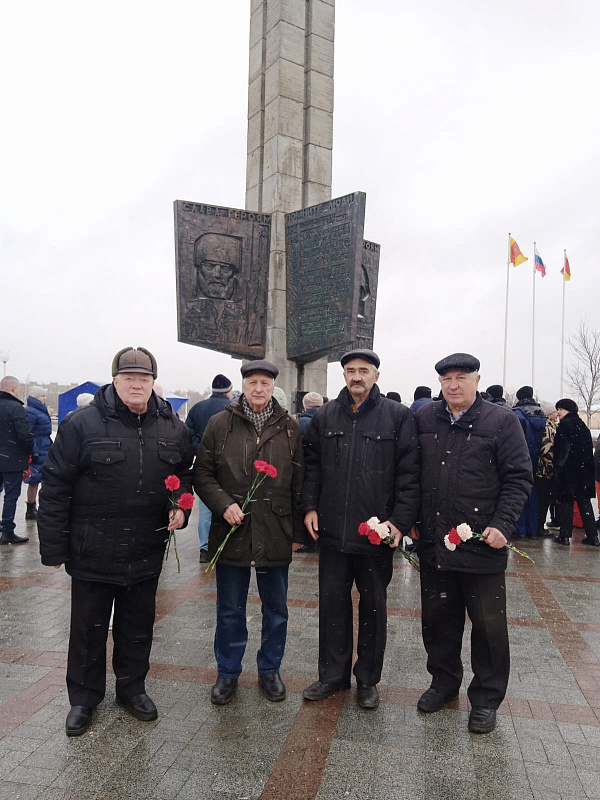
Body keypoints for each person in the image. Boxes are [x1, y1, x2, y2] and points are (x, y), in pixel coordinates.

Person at [38, 347, 194, 737]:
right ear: (115, 380)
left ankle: (132, 688)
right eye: (129, 377)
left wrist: (181, 506)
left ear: (154, 382)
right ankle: (84, 699)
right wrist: (53, 547)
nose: (137, 384)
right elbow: (55, 485)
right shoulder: (81, 424)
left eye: (144, 378)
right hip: (93, 548)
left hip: (145, 548)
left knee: (137, 626)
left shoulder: (172, 426)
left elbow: (184, 473)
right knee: (88, 629)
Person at [414, 353, 532, 733]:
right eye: (447, 378)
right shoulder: (425, 418)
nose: (453, 385)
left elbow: (518, 477)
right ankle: (444, 683)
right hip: (435, 544)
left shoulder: (501, 421)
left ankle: (485, 697)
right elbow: (410, 473)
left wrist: (503, 524)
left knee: (488, 626)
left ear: (477, 380)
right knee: (438, 621)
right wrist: (411, 520)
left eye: (461, 377)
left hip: (483, 545)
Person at [301, 349, 419, 710]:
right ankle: (332, 676)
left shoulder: (397, 417)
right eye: (350, 371)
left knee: (373, 609)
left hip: (375, 535)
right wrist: (309, 507)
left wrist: (398, 522)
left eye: (363, 371)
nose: (357, 377)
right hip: (334, 533)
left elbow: (410, 474)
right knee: (332, 606)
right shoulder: (325, 415)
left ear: (376, 376)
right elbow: (312, 466)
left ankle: (367, 680)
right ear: (344, 376)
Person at [194, 360, 304, 706]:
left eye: (265, 383)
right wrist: (222, 503)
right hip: (233, 527)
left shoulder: (289, 427)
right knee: (229, 608)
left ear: (273, 387)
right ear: (243, 385)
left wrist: (298, 529)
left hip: (275, 527)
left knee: (276, 608)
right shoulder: (220, 424)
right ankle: (227, 673)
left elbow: (300, 482)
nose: (259, 389)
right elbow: (203, 474)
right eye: (252, 382)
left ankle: (270, 670)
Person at [186, 374, 233, 562]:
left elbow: (187, 435)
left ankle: (205, 548)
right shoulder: (231, 409)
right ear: (228, 392)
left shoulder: (197, 408)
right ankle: (225, 544)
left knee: (205, 507)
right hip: (228, 465)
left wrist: (201, 449)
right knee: (227, 502)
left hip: (203, 464)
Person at [552, 398, 599, 546]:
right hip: (584, 471)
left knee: (566, 501)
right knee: (585, 503)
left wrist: (558, 469)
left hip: (569, 471)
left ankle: (564, 536)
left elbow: (563, 450)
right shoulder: (582, 426)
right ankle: (593, 537)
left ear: (568, 410)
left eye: (561, 409)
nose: (558, 412)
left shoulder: (565, 426)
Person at [0, 376, 33, 544]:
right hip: (11, 460)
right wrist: (30, 452)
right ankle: (7, 531)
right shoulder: (16, 408)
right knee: (11, 496)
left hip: (5, 457)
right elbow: (24, 435)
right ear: (13, 389)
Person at [512, 386, 546, 538]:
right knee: (533, 493)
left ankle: (520, 529)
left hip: (520, 457)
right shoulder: (541, 414)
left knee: (518, 491)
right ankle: (533, 528)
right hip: (538, 459)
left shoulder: (517, 414)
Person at [24, 386, 53, 520]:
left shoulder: (40, 410)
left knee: (44, 478)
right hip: (38, 448)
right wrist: (33, 450)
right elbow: (28, 433)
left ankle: (39, 507)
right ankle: (31, 508)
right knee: (34, 479)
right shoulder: (31, 412)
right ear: (36, 397)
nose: (45, 398)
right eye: (42, 396)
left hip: (45, 447)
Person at [536, 401, 559, 536]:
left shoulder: (550, 425)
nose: (557, 414)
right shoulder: (548, 427)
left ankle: (539, 525)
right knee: (543, 500)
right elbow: (547, 449)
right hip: (545, 471)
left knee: (543, 500)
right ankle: (540, 527)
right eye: (555, 411)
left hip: (543, 470)